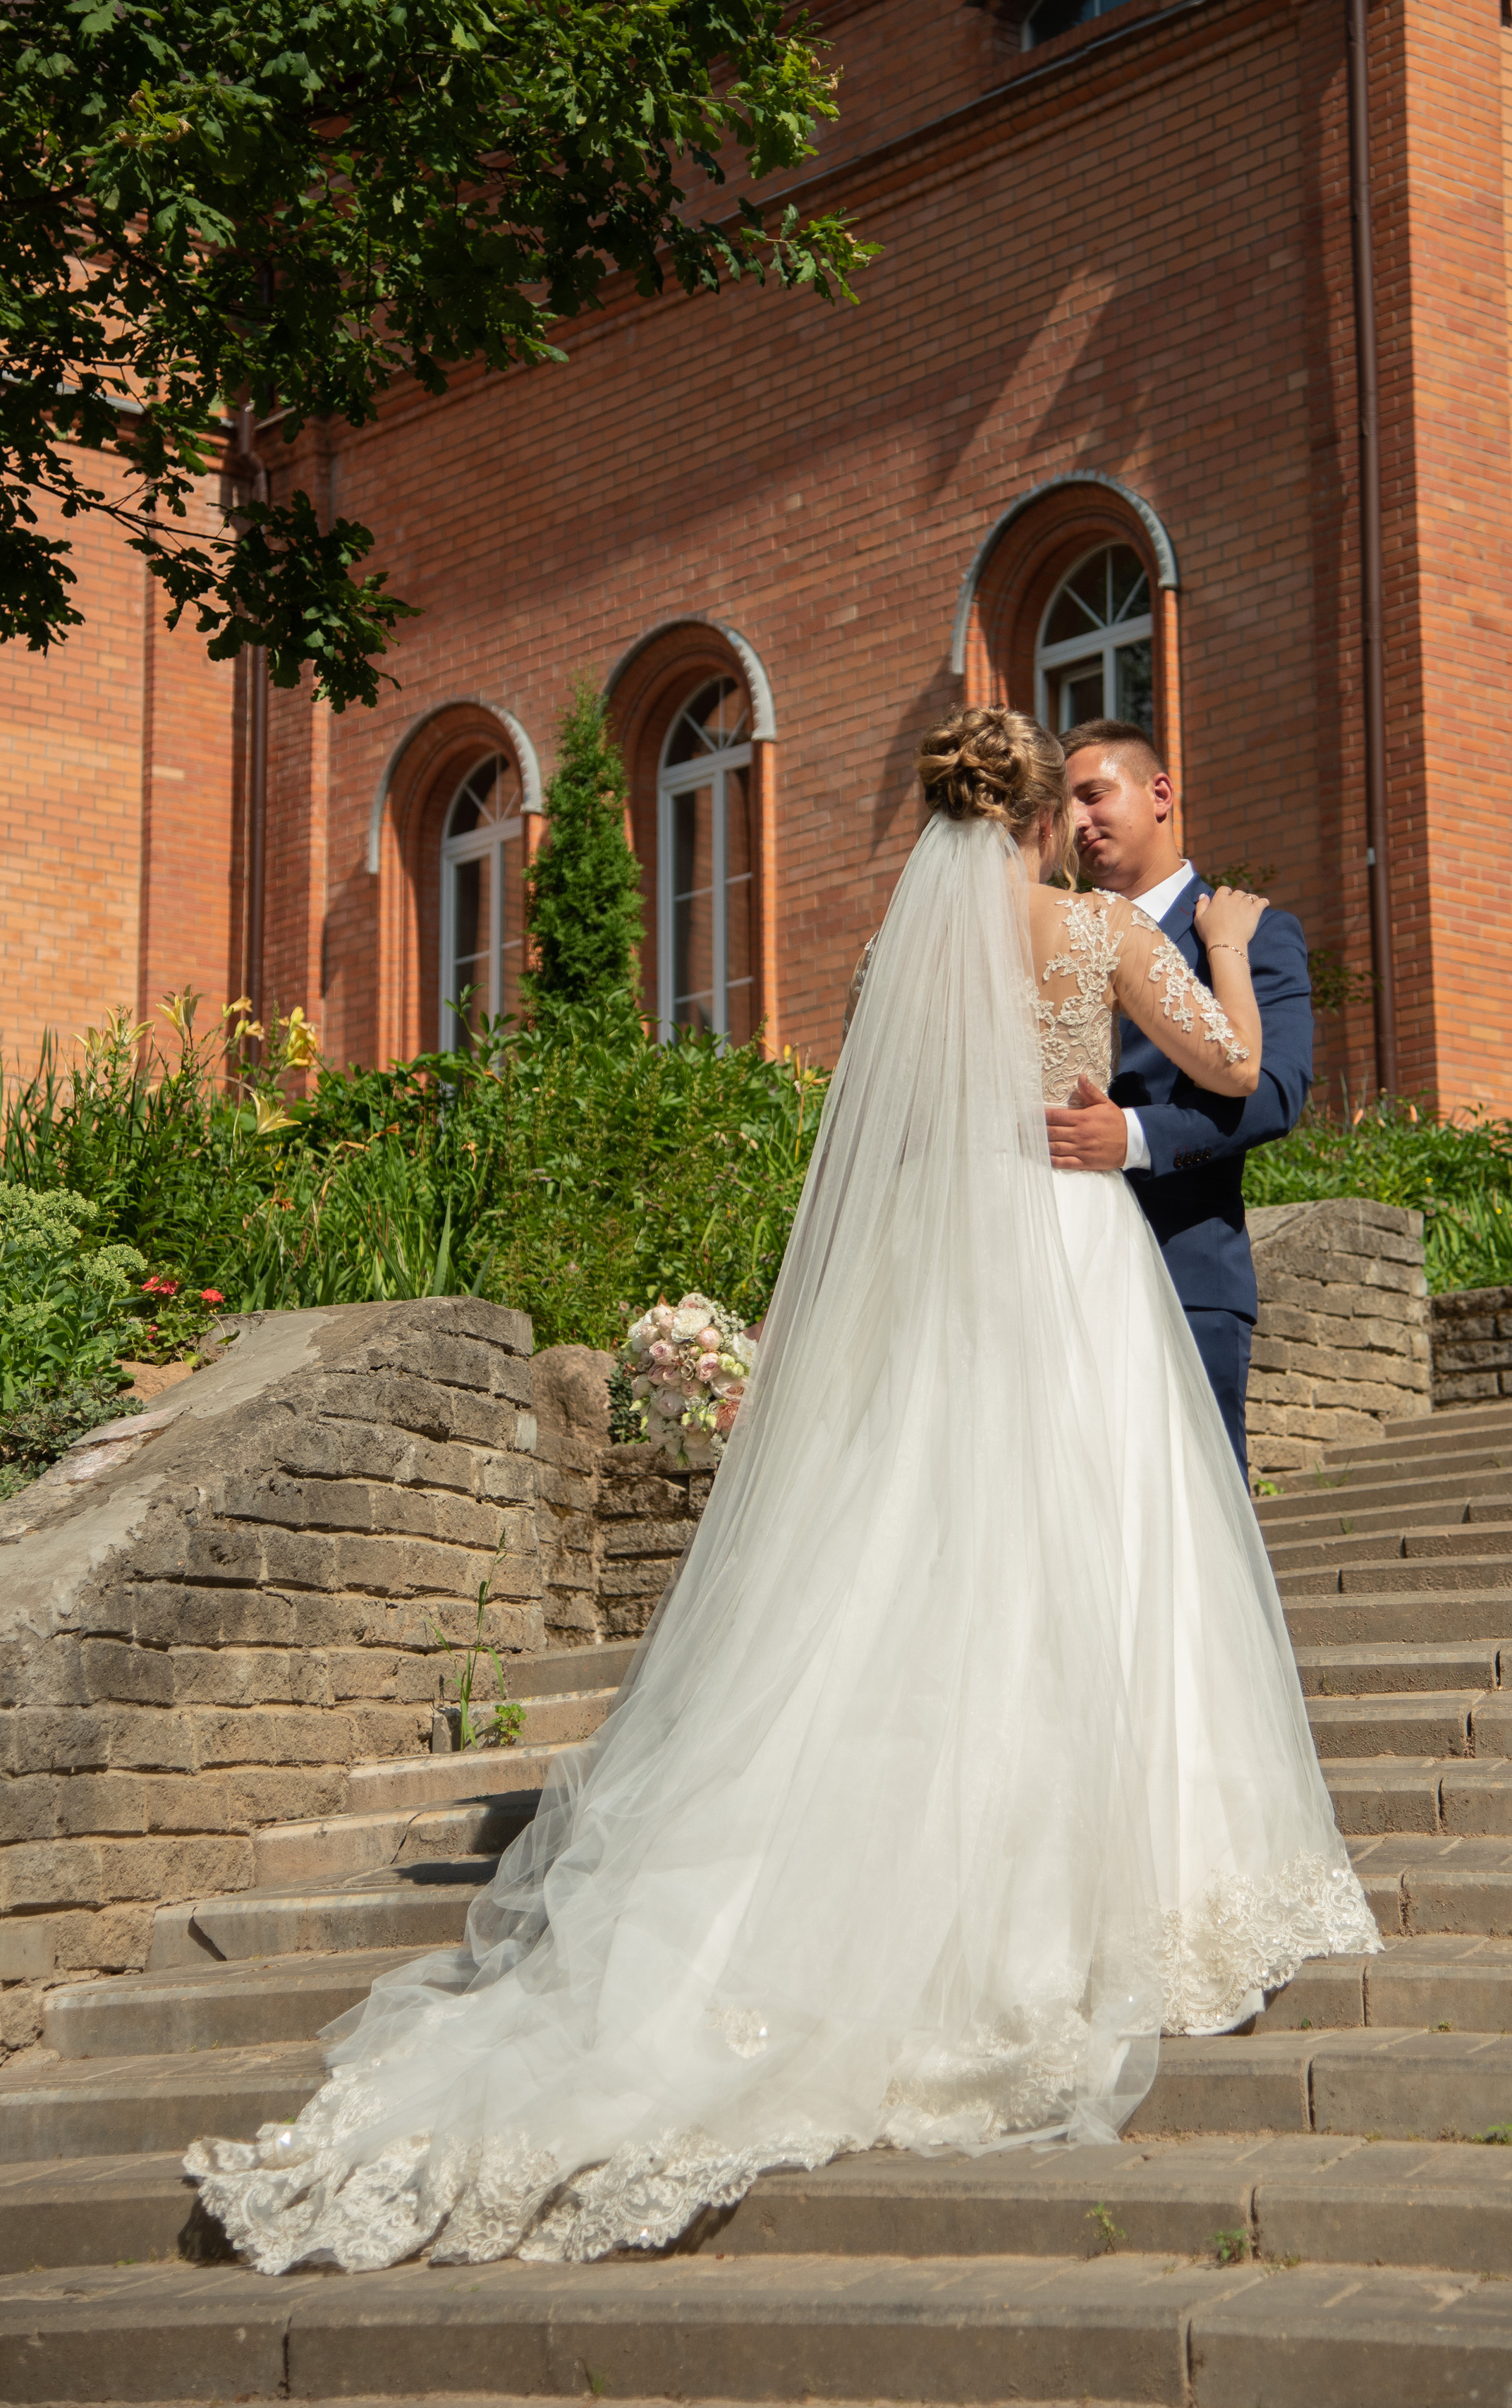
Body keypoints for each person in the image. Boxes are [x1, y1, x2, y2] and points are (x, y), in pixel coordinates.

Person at [187, 708, 1377, 2277]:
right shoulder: (1090, 932)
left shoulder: (907, 958)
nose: (1086, 821)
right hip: (1077, 1270)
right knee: (1107, 1555)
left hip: (956, 1274)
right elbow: (1237, 1068)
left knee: (946, 1564)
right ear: (1037, 814)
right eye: (1069, 797)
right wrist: (1217, 948)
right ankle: (1114, 1881)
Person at [1051, 721, 1313, 1483]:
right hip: (1053, 1273)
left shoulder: (1250, 932)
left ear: (1159, 792)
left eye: (1094, 795)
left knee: (1196, 1526)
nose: (1078, 821)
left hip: (1182, 1271)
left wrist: (1130, 1137)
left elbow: (1271, 1096)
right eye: (1064, 805)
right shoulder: (1051, 930)